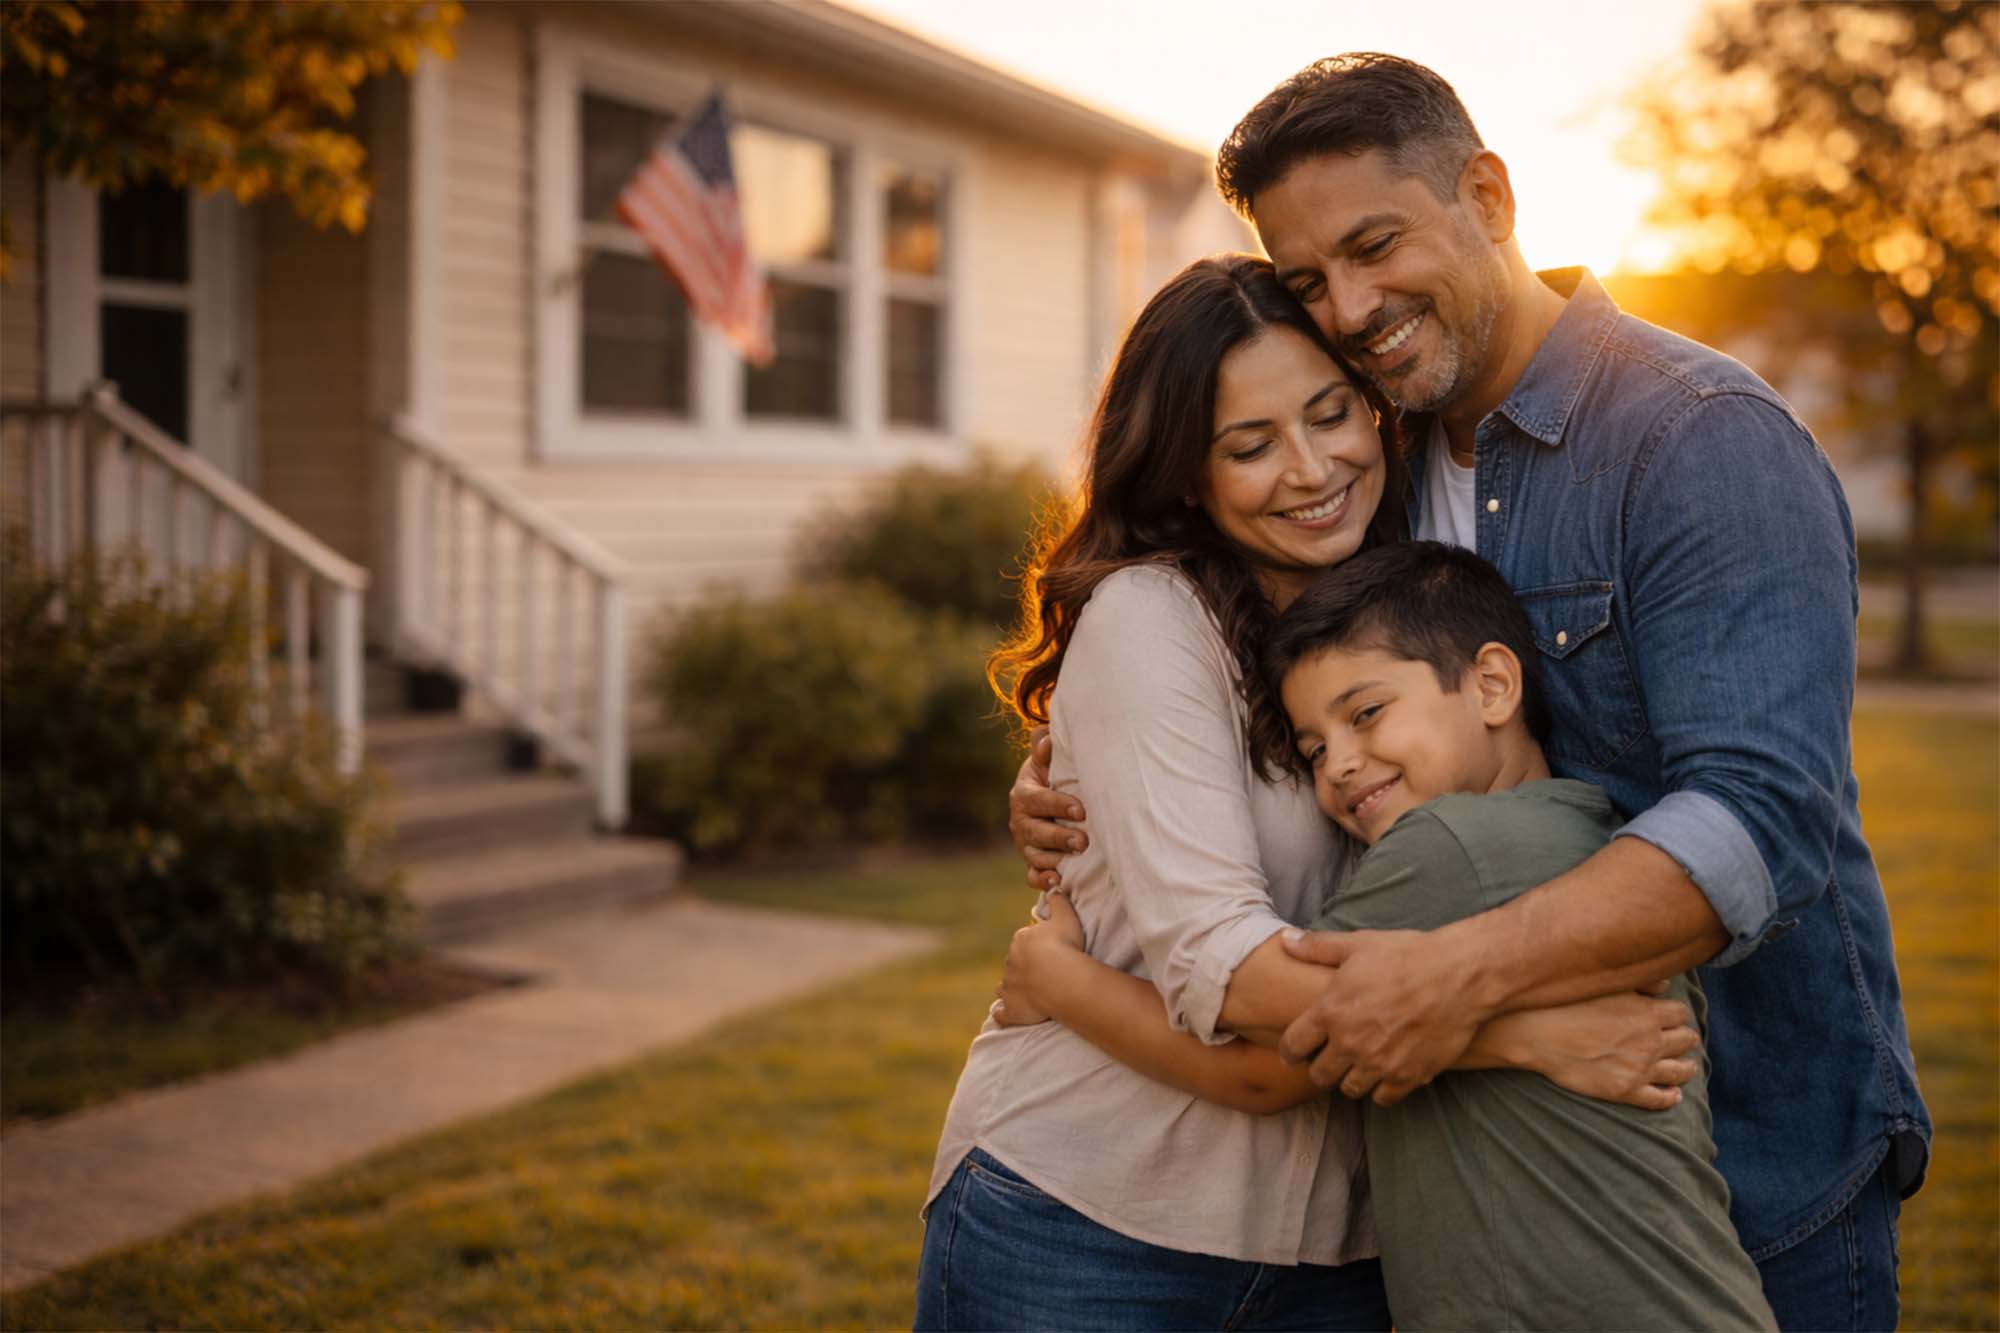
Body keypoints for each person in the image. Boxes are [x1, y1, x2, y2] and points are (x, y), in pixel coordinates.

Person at [1007, 54, 1929, 1332]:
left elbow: (1759, 817)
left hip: (1746, 1152)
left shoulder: (1693, 436)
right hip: (1482, 1173)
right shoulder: (1377, 460)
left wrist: (1451, 981)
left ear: (1488, 196)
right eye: (1308, 281)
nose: (1349, 304)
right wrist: (1077, 777)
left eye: (1374, 244)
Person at [917, 253, 1700, 1332]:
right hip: (1093, 1225)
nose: (1309, 467)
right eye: (1248, 445)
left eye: (1330, 413)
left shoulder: (1409, 590)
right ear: (1187, 473)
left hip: (1350, 1253)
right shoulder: (1153, 618)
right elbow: (1224, 971)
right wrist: (1519, 1030)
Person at [996, 541, 1776, 1331]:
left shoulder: (1447, 849)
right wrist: (1529, 1034)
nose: (1337, 765)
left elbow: (1271, 1067)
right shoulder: (1579, 827)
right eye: (1313, 750)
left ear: (1495, 685)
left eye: (1366, 714)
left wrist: (1054, 978)